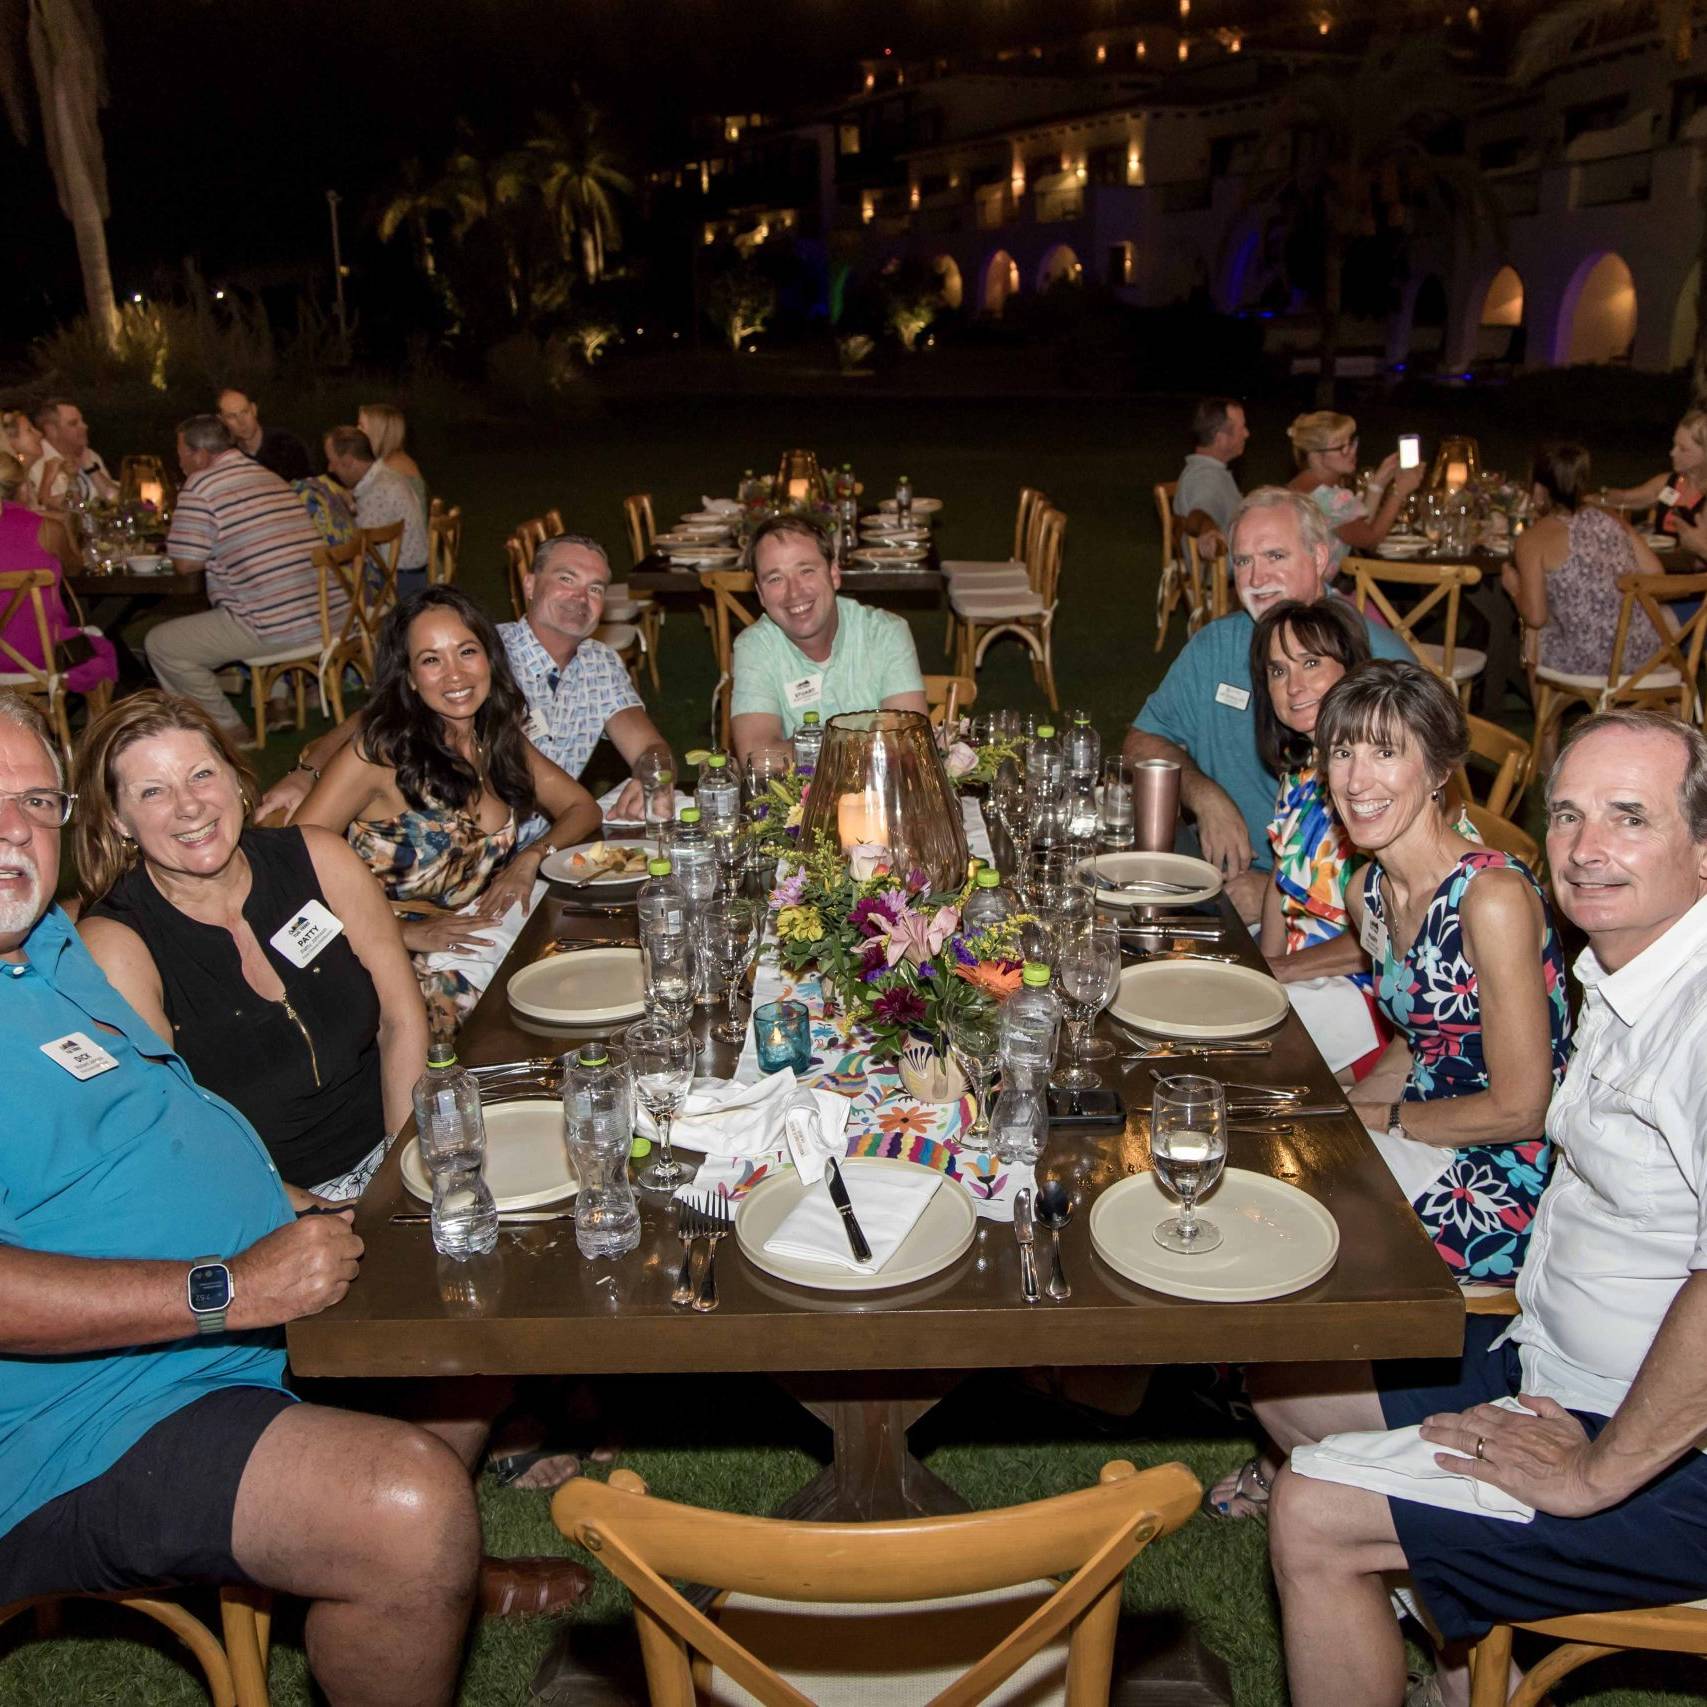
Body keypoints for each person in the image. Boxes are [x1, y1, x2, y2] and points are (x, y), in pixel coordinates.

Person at [0, 689, 481, 1707]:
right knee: (407, 1504)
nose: (12, 831)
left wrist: (293, 1216)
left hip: (247, 1292)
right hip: (84, 1419)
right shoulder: (107, 941)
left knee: (471, 1340)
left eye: (33, 802)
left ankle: (429, 1586)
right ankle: (411, 1555)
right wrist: (226, 1288)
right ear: (118, 821)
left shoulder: (49, 952)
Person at [1264, 709, 1707, 1707]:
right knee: (1284, 1381)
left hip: (1659, 1447)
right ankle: (1456, 1649)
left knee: (1311, 1512)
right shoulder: (1628, 974)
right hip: (1550, 1360)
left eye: (1630, 819)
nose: (1586, 850)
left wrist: (1597, 1471)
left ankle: (1383, 1590)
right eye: (1566, 815)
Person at [73, 691, 428, 1203]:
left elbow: (400, 1017)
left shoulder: (320, 858)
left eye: (202, 774)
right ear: (118, 820)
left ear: (237, 779)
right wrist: (311, 1213)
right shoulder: (117, 945)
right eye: (153, 792)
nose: (190, 805)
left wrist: (404, 1165)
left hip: (401, 1139)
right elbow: (169, 1129)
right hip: (264, 1197)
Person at [294, 586, 602, 1031]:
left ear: (490, 661)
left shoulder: (494, 740)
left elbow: (581, 806)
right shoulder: (378, 756)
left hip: (471, 943)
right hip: (378, 961)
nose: (454, 675)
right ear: (411, 678)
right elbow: (284, 874)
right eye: (431, 659)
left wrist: (530, 859)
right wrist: (400, 934)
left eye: (466, 651)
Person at [1125, 487, 1414, 918]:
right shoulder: (1217, 647)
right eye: (1243, 561)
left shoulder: (1376, 663)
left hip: (1340, 916)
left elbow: (1415, 853)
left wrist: (1278, 893)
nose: (1257, 580)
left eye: (1275, 556)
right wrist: (1205, 796)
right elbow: (1141, 742)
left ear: (1319, 558)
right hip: (1219, 876)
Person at [260, 530, 674, 827]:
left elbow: (649, 746)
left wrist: (652, 774)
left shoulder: (599, 663)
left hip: (547, 845)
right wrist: (307, 774)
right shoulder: (477, 653)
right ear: (530, 584)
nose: (580, 598)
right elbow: (373, 719)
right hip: (455, 851)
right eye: (566, 580)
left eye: (596, 588)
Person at [1249, 598, 1385, 1077]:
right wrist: (1262, 966)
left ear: (1351, 671)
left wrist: (1275, 975)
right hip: (1305, 969)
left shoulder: (1375, 787)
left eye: (1311, 663)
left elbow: (1387, 939)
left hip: (1367, 999)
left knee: (1230, 1051)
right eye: (1278, 671)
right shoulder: (1304, 769)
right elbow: (1281, 883)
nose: (1295, 686)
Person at [145, 415, 338, 750]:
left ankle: (226, 729)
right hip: (325, 617)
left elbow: (186, 562)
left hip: (275, 627)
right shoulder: (267, 475)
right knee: (246, 599)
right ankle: (273, 700)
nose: (179, 462)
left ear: (201, 456)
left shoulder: (201, 486)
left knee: (161, 643)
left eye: (181, 454)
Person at [730, 512, 927, 766]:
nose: (794, 592)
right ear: (760, 594)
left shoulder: (885, 633)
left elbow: (910, 746)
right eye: (776, 579)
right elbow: (758, 760)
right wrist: (869, 744)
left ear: (834, 574)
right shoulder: (754, 647)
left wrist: (806, 751)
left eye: (806, 571)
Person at [1504, 440, 1666, 687]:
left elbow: (1536, 616)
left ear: (1538, 490)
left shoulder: (1533, 538)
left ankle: (1546, 724)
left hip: (1589, 664)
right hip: (1643, 657)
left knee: (1534, 631)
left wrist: (1514, 587)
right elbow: (1655, 574)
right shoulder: (1613, 520)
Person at [0, 460, 117, 703]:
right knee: (101, 651)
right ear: (22, 488)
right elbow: (75, 566)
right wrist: (59, 520)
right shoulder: (45, 528)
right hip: (40, 657)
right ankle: (93, 735)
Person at [1286, 411, 1424, 572]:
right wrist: (1399, 492)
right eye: (1341, 448)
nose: (1352, 452)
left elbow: (1360, 527)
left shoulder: (1302, 484)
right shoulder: (1326, 498)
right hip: (1316, 594)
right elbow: (1370, 541)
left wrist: (1378, 483)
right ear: (1314, 455)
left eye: (1351, 443)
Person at [324, 425, 429, 599]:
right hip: (412, 577)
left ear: (349, 461)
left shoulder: (378, 491)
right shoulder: (387, 477)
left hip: (399, 587)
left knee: (330, 582)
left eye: (332, 461)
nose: (329, 468)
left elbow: (354, 546)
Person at [1602, 406, 1707, 553]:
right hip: (1661, 570)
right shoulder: (1668, 483)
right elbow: (1624, 498)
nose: (1672, 453)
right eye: (1674, 444)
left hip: (1692, 574)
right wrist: (1596, 498)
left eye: (1683, 448)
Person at [1173, 396, 1248, 537]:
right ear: (1221, 439)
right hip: (1225, 558)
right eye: (1242, 428)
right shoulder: (1206, 478)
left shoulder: (1205, 471)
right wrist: (1209, 533)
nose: (1246, 434)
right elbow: (1198, 516)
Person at [31, 398, 118, 509]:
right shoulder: (36, 461)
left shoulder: (89, 455)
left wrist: (91, 469)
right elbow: (36, 510)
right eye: (73, 423)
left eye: (82, 421)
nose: (84, 426)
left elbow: (116, 501)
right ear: (51, 430)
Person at [215, 387, 312, 484]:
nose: (241, 421)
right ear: (222, 420)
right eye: (232, 416)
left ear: (254, 409)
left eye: (245, 412)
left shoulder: (286, 444)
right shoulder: (228, 458)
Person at [359, 402, 428, 516]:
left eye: (361, 426)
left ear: (378, 431)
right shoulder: (399, 460)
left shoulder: (390, 469)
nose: (356, 431)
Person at [2, 407, 54, 507]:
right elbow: (25, 517)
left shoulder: (31, 473)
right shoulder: (9, 483)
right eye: (29, 430)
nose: (39, 434)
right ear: (9, 440)